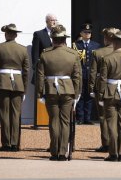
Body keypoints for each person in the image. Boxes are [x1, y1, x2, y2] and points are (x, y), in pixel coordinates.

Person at [37, 25, 82, 161]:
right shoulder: (73, 54)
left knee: (53, 121)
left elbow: (40, 76)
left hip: (51, 90)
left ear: (53, 39)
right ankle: (63, 152)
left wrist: (40, 93)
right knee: (65, 121)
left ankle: (54, 151)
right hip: (68, 90)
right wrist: (77, 93)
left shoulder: (45, 54)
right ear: (64, 39)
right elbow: (77, 76)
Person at [97, 29, 121, 161]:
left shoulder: (107, 59)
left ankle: (113, 153)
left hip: (110, 92)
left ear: (113, 43)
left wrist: (101, 95)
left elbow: (102, 79)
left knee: (111, 124)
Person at [0, 24, 30, 152]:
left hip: (2, 83)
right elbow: (26, 71)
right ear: (16, 35)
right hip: (18, 84)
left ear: (6, 34)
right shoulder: (23, 49)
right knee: (16, 114)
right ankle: (15, 143)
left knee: (4, 114)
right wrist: (24, 88)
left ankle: (6, 143)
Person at [89, 27, 117, 153]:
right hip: (119, 87)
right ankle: (117, 143)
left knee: (103, 116)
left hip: (102, 87)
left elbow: (93, 73)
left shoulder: (98, 53)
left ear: (106, 39)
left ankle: (106, 143)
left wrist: (91, 88)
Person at [75, 23, 101, 124]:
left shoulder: (96, 45)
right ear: (81, 33)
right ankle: (80, 118)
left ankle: (88, 118)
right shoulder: (76, 45)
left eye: (89, 32)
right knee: (80, 96)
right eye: (85, 32)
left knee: (90, 96)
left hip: (91, 74)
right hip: (81, 73)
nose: (87, 34)